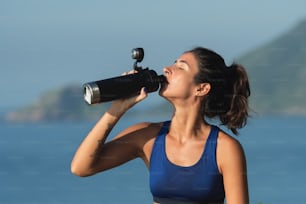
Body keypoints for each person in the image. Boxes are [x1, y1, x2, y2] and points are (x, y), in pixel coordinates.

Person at [71, 47, 250, 204]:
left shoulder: (224, 149)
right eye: (173, 63)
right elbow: (81, 167)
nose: (166, 69)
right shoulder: (147, 136)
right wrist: (117, 109)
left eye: (181, 67)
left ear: (201, 88)